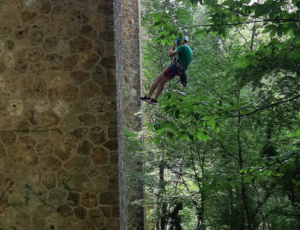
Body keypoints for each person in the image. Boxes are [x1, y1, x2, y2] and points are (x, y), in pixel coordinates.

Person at [140, 36, 193, 105]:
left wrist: (171, 47)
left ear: (181, 42)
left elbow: (170, 54)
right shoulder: (189, 50)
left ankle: (148, 96)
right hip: (180, 71)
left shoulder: (183, 47)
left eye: (179, 44)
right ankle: (154, 100)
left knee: (158, 78)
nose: (178, 46)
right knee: (162, 82)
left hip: (175, 67)